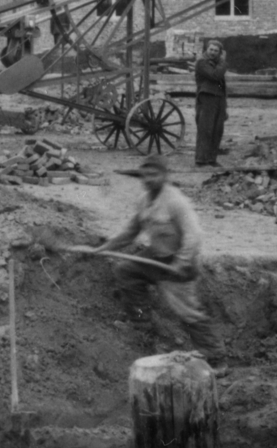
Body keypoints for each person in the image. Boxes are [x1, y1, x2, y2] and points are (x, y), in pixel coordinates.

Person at [92, 154, 222, 364]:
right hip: (155, 256)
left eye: (154, 175)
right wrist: (106, 247)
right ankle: (141, 324)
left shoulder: (176, 202)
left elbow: (194, 235)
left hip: (178, 262)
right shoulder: (144, 201)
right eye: (145, 176)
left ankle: (215, 356)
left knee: (186, 311)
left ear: (164, 176)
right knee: (126, 271)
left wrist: (181, 262)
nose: (149, 180)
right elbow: (131, 231)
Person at [194, 38, 228, 167]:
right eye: (211, 49)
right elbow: (215, 75)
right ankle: (201, 159)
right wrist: (223, 62)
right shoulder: (202, 63)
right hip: (207, 98)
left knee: (217, 130)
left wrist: (224, 106)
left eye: (216, 50)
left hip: (219, 99)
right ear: (206, 50)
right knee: (205, 129)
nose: (213, 52)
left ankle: (211, 159)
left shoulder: (217, 63)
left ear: (219, 52)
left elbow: (221, 85)